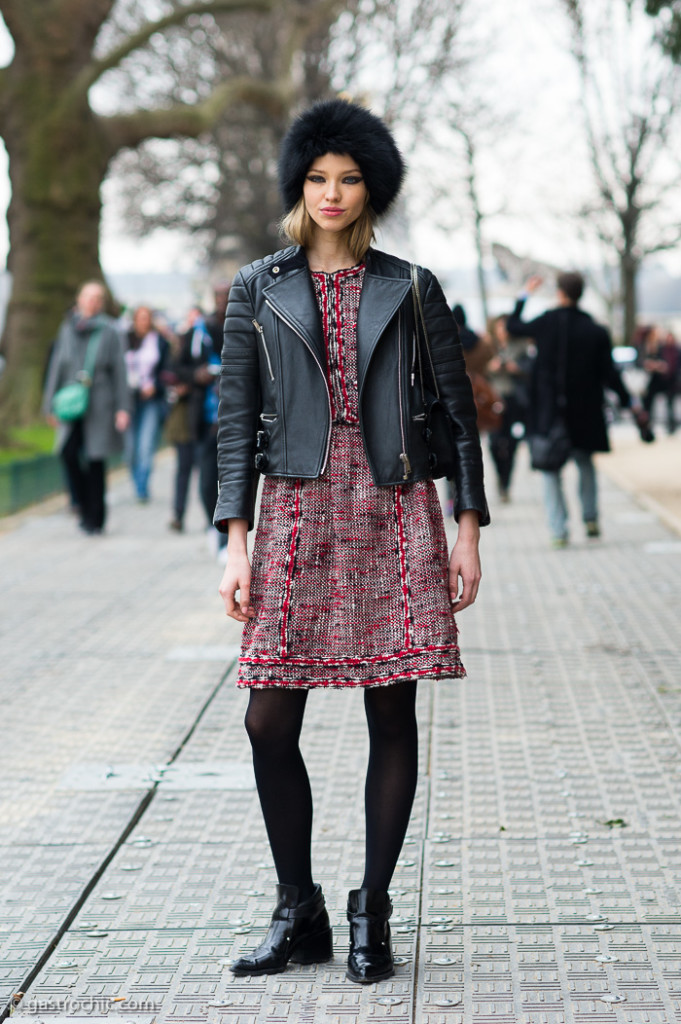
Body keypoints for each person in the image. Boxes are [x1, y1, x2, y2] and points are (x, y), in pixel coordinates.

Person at [214, 99, 489, 985]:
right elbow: (232, 423)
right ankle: (299, 908)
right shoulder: (258, 286)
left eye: (350, 179)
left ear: (371, 188)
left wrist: (467, 525)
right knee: (266, 718)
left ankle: (372, 908)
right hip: (293, 510)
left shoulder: (411, 286)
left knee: (391, 712)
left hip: (392, 503)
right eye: (319, 178)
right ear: (299, 184)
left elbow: (456, 412)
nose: (332, 193)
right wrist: (234, 540)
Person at [507, 272, 638, 547]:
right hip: (585, 412)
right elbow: (610, 374)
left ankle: (559, 530)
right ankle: (590, 519)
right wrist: (629, 402)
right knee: (585, 463)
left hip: (549, 413)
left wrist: (525, 293)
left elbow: (513, 326)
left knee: (550, 469)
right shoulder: (596, 330)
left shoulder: (546, 323)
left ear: (560, 292)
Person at [43, 280, 130, 534]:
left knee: (95, 460)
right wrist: (50, 404)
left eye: (96, 297)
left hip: (100, 403)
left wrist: (123, 408)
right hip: (71, 400)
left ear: (101, 303)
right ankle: (80, 503)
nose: (91, 301)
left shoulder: (110, 330)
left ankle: (95, 517)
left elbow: (119, 371)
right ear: (79, 299)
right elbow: (57, 366)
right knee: (68, 452)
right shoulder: (67, 327)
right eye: (87, 296)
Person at [123, 306, 170, 502]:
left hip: (150, 400)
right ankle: (136, 481)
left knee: (146, 445)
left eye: (146, 318)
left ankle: (142, 487)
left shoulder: (159, 341)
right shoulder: (124, 339)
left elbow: (167, 371)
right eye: (139, 318)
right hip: (128, 400)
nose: (143, 322)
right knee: (130, 447)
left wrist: (156, 386)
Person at [486, 314, 533, 502]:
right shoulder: (489, 347)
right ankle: (499, 475)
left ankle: (506, 482)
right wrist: (492, 367)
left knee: (512, 443)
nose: (503, 331)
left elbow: (531, 370)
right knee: (494, 443)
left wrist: (516, 369)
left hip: (514, 401)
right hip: (493, 401)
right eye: (500, 327)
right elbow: (480, 372)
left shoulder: (521, 347)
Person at [638, 325, 679, 434]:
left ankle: (669, 427)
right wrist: (651, 365)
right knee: (646, 405)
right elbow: (640, 362)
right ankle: (646, 428)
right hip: (645, 381)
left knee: (667, 403)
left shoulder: (659, 347)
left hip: (658, 380)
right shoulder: (643, 346)